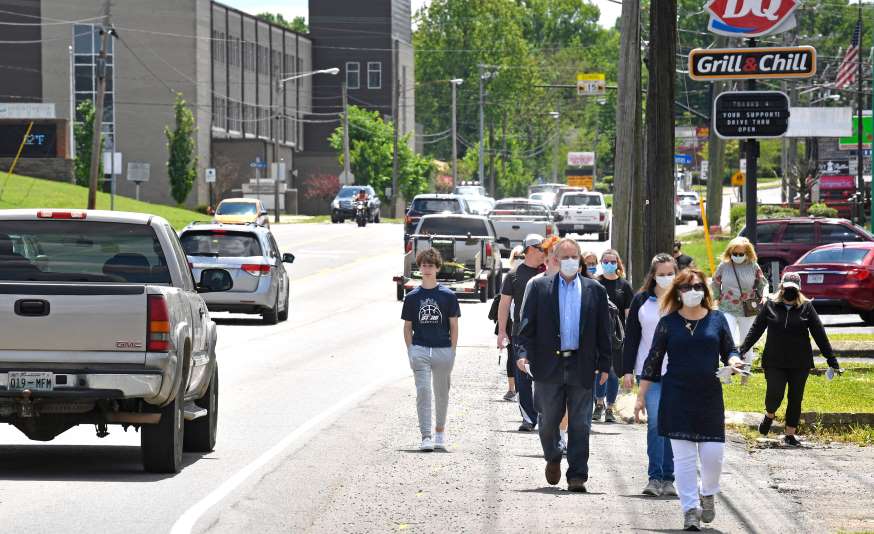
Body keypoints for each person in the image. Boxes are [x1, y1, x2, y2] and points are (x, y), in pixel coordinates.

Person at [635, 268, 744, 531]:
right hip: (676, 396)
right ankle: (689, 510)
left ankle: (708, 493)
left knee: (713, 455)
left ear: (705, 291)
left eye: (697, 287)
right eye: (686, 287)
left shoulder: (717, 319)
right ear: (678, 292)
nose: (692, 291)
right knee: (683, 460)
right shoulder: (668, 322)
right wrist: (640, 397)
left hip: (708, 395)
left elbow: (729, 349)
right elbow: (653, 361)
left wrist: (734, 360)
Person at [516, 238, 612, 492]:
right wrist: (522, 354)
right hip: (548, 366)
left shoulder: (595, 290)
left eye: (574, 257)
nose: (570, 261)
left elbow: (604, 330)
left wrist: (605, 364)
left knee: (581, 422)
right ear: (555, 260)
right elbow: (525, 326)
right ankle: (553, 455)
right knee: (547, 420)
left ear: (580, 259)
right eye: (564, 257)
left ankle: (577, 474)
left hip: (582, 365)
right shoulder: (538, 286)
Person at [738, 272, 839, 447]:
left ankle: (790, 434)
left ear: (799, 290)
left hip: (800, 362)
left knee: (795, 397)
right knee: (774, 394)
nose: (790, 292)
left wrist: (831, 358)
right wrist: (742, 350)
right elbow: (756, 329)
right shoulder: (770, 305)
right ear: (781, 288)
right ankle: (770, 414)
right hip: (774, 360)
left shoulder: (807, 307)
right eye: (787, 288)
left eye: (794, 289)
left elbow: (819, 333)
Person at [621, 253, 678, 497]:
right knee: (655, 423)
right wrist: (626, 370)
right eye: (661, 274)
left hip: (679, 372)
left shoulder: (684, 299)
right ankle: (655, 477)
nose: (666, 278)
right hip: (650, 372)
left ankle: (669, 478)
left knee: (672, 426)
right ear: (653, 276)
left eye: (670, 274)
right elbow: (631, 337)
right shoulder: (641, 301)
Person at [401, 248, 460, 451]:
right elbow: (407, 327)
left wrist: (452, 351)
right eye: (423, 265)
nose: (427, 269)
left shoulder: (448, 296)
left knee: (442, 393)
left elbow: (454, 326)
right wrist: (411, 350)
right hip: (420, 349)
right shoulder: (412, 297)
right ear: (419, 268)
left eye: (430, 265)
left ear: (437, 268)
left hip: (443, 350)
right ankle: (426, 436)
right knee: (424, 391)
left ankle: (440, 432)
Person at [497, 234, 546, 431]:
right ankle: (528, 417)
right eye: (541, 248)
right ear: (530, 249)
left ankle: (546, 415)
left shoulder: (550, 272)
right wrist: (502, 331)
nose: (545, 252)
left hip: (547, 334)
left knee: (545, 377)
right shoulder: (514, 275)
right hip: (521, 334)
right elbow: (504, 304)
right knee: (523, 377)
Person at [711, 236, 768, 384]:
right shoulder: (724, 266)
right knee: (725, 339)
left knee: (746, 342)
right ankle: (726, 374)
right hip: (726, 307)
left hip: (747, 310)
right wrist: (716, 298)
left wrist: (763, 297)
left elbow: (762, 283)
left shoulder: (753, 266)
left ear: (747, 252)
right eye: (734, 254)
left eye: (740, 253)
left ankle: (745, 376)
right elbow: (715, 282)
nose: (737, 256)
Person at [593, 249, 633, 423]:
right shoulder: (595, 283)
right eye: (606, 261)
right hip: (597, 334)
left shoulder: (624, 286)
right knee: (599, 370)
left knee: (613, 371)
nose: (610, 264)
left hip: (617, 336)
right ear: (601, 263)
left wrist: (630, 336)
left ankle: (610, 407)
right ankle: (599, 403)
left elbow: (628, 314)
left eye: (613, 261)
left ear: (618, 263)